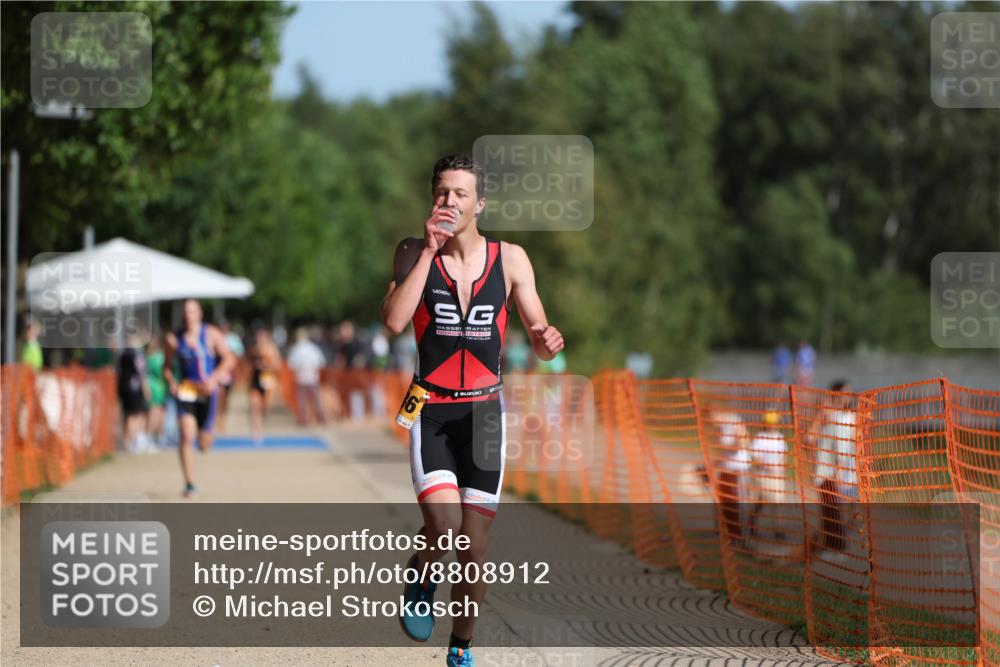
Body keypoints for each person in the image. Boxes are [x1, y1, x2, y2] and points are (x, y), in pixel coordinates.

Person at [381, 154, 564, 667]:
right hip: (432, 410)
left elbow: (542, 340)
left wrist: (548, 341)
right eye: (442, 193)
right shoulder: (413, 252)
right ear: (432, 200)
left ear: (480, 203)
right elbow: (395, 321)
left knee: (474, 544)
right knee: (442, 527)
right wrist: (428, 254)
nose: (450, 202)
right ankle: (422, 578)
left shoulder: (512, 259)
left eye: (461, 194)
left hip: (484, 415)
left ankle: (461, 647)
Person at [164, 299, 235, 498]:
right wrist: (172, 383)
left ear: (200, 314)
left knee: (204, 444)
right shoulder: (173, 339)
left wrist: (214, 379)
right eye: (185, 312)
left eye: (192, 312)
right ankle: (189, 482)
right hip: (186, 393)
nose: (188, 316)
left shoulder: (211, 334)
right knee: (186, 435)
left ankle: (204, 437)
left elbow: (230, 359)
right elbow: (167, 367)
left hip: (208, 393)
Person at [812, 380, 857, 554]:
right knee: (831, 510)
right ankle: (832, 544)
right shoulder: (830, 416)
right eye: (844, 393)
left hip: (846, 469)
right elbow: (811, 438)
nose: (848, 397)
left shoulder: (849, 417)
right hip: (831, 470)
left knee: (841, 509)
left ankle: (835, 542)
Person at [747, 411, 789, 544]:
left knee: (778, 503)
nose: (772, 426)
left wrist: (781, 471)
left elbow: (784, 457)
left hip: (777, 477)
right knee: (761, 503)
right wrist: (766, 465)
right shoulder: (760, 438)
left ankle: (779, 530)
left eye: (774, 423)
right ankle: (752, 524)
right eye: (770, 423)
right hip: (763, 476)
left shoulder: (779, 438)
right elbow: (754, 457)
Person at [118, 332, 151, 453]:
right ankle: (130, 442)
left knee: (129, 415)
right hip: (135, 389)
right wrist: (146, 388)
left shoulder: (123, 354)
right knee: (135, 415)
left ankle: (129, 442)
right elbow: (141, 373)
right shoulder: (136, 354)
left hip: (125, 389)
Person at [287, 327, 327, 426]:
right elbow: (321, 362)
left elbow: (291, 364)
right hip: (312, 376)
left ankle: (303, 418)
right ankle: (320, 416)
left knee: (302, 398)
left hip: (301, 377)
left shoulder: (296, 348)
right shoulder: (313, 348)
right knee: (315, 398)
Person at [248, 328, 283, 443]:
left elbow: (278, 365)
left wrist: (267, 365)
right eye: (258, 338)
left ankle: (261, 422)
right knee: (254, 406)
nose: (259, 340)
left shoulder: (272, 349)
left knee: (265, 407)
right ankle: (256, 431)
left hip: (268, 380)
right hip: (255, 380)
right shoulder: (254, 350)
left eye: (262, 337)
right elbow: (249, 364)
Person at [215, 320, 245, 431]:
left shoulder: (233, 339)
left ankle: (222, 416)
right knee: (219, 394)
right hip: (218, 371)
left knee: (226, 396)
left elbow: (239, 354)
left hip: (229, 373)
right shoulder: (215, 336)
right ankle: (217, 417)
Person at [146, 334, 168, 446]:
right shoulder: (156, 357)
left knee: (161, 413)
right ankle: (150, 437)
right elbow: (161, 372)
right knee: (155, 413)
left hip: (161, 388)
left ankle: (158, 437)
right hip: (156, 388)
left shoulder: (151, 357)